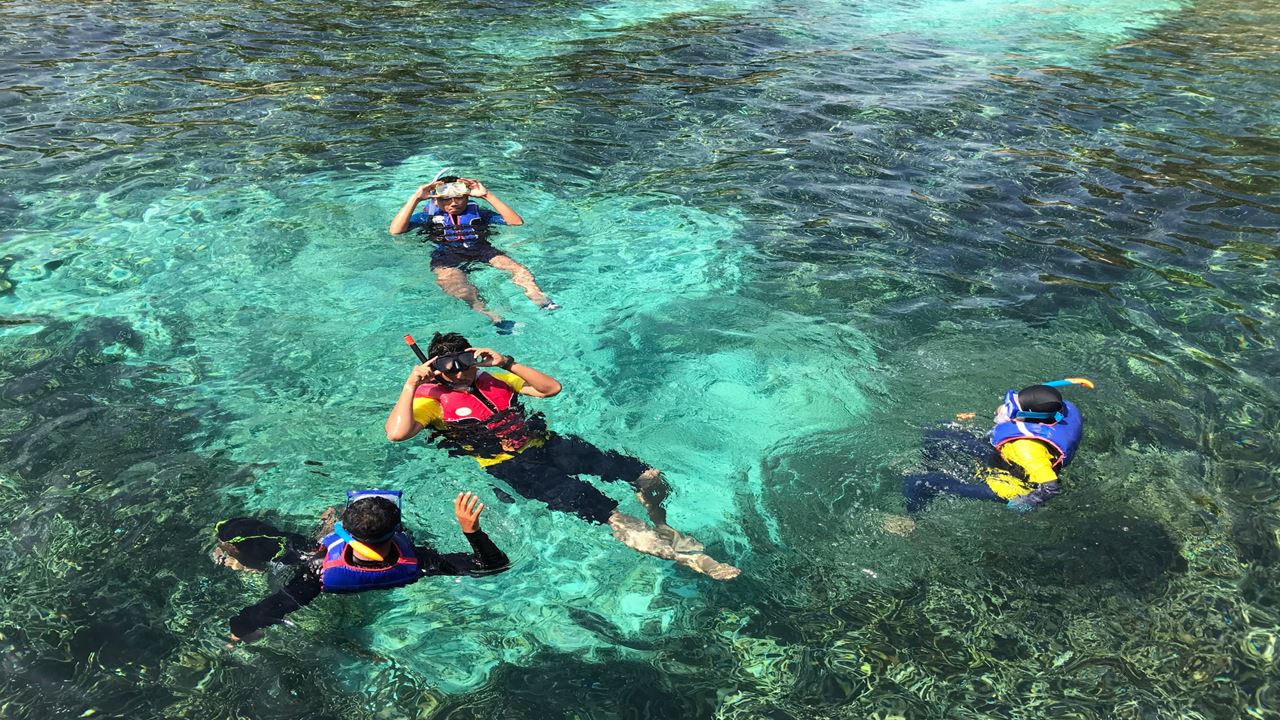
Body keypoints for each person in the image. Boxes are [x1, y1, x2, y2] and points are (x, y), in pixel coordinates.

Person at [384, 332, 739, 580]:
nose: (462, 371)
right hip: (513, 468)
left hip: (550, 444)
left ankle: (662, 524)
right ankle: (691, 560)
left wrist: (505, 362)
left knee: (648, 475)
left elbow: (551, 388)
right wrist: (411, 383)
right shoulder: (430, 401)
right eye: (451, 366)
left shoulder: (495, 380)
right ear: (435, 368)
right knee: (612, 515)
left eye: (467, 361)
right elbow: (396, 433)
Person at [217, 490, 509, 644]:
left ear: (344, 530)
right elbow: (492, 566)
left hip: (322, 564)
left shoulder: (316, 570)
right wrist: (471, 530)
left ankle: (242, 560)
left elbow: (266, 611)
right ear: (398, 531)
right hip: (384, 563)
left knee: (235, 531)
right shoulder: (421, 562)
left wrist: (238, 633)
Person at [892, 379, 1092, 527]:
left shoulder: (1027, 450)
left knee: (917, 482)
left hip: (1006, 486)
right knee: (938, 432)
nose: (1002, 409)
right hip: (1005, 457)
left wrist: (1028, 502)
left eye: (1010, 409)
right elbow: (1014, 422)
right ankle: (929, 465)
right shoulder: (1048, 418)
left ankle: (910, 521)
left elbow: (1051, 486)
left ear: (1028, 418)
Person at [388, 176, 557, 332]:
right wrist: (416, 198)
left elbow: (516, 222)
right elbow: (395, 231)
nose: (453, 203)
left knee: (518, 269)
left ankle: (542, 302)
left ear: (467, 197)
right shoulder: (427, 217)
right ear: (435, 200)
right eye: (446, 199)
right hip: (446, 256)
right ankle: (496, 319)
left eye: (459, 197)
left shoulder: (480, 214)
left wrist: (486, 195)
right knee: (460, 290)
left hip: (481, 249)